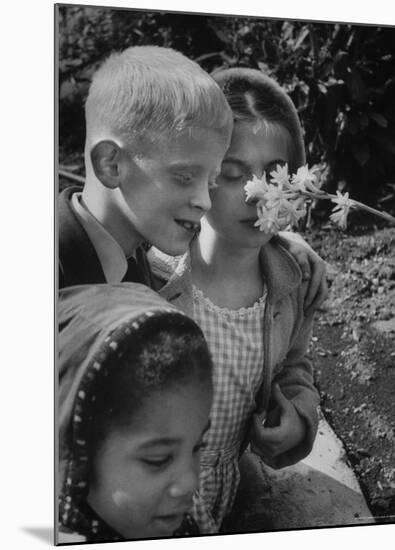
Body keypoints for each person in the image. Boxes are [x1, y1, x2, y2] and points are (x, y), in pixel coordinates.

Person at [149, 67, 324, 533]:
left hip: (229, 495)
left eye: (274, 176)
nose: (257, 195)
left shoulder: (292, 284)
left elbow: (294, 367)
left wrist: (300, 420)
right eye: (233, 174)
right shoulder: (150, 275)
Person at [58, 45, 326, 302]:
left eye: (211, 180)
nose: (205, 202)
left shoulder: (137, 258)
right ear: (111, 165)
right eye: (185, 177)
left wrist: (282, 243)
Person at [58, 283, 214, 543]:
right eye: (158, 459)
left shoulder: (184, 522)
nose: (190, 483)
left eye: (198, 447)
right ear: (79, 454)